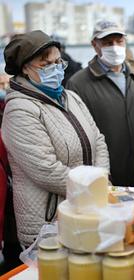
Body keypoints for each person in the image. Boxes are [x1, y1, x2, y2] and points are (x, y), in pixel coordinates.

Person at [2, 30, 109, 247]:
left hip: (87, 206)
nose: (55, 68)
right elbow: (45, 169)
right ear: (25, 68)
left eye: (58, 61)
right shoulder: (19, 109)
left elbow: (98, 139)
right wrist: (94, 187)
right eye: (45, 64)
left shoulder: (71, 97)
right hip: (49, 221)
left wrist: (101, 177)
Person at [67, 20, 134, 187]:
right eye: (108, 43)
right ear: (95, 45)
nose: (114, 47)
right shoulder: (78, 83)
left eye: (119, 41)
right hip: (105, 173)